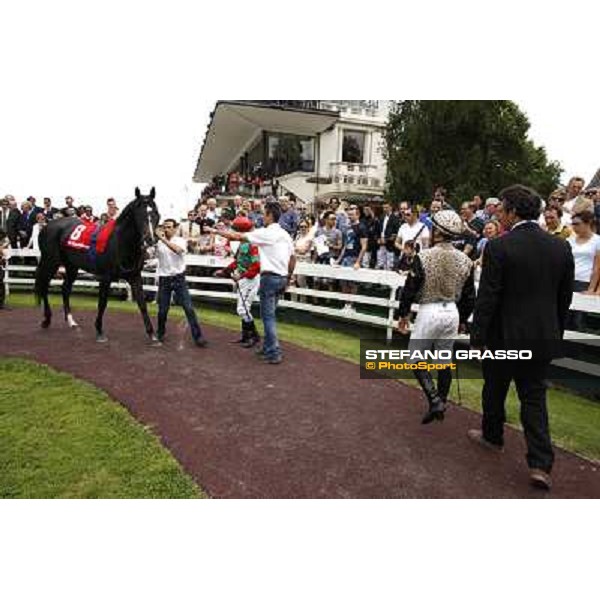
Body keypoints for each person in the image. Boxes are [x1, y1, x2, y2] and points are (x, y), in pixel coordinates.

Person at [469, 185, 574, 491]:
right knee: (534, 398)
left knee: (495, 388)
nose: (498, 213)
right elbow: (563, 298)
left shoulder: (499, 247)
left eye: (501, 209)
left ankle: (492, 436)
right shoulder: (560, 247)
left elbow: (488, 298)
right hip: (542, 336)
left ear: (513, 211)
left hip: (504, 337)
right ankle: (541, 464)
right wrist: (554, 333)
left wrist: (477, 338)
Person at [397, 210, 475, 424]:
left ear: (438, 232)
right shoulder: (466, 260)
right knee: (444, 359)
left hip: (429, 310)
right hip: (452, 311)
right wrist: (463, 320)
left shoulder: (423, 257)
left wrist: (403, 315)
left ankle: (434, 400)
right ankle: (441, 401)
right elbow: (470, 296)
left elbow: (409, 289)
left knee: (415, 358)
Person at [209, 202, 295, 365]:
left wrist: (215, 231)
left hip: (269, 278)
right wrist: (289, 278)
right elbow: (293, 258)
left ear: (269, 215)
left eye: (264, 214)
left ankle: (274, 351)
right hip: (282, 277)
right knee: (270, 315)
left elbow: (237, 236)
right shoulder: (285, 235)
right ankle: (267, 347)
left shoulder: (265, 233)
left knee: (267, 317)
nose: (263, 217)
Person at [154, 219, 208, 348]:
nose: (166, 229)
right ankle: (160, 333)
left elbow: (178, 250)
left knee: (188, 308)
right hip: (164, 278)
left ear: (175, 228)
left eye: (169, 227)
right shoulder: (158, 243)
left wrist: (163, 240)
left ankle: (198, 336)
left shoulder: (180, 241)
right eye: (164, 227)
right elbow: (151, 254)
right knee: (162, 310)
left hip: (179, 278)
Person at [215, 216, 261, 348]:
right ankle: (246, 336)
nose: (233, 232)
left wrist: (241, 276)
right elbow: (238, 261)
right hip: (244, 278)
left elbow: (256, 266)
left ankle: (254, 336)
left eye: (235, 230)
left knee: (243, 308)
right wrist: (224, 271)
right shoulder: (243, 243)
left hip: (250, 279)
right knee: (243, 307)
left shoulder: (252, 244)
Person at [376, 201, 401, 269]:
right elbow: (378, 230)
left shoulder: (395, 219)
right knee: (380, 264)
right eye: (383, 208)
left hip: (390, 246)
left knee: (390, 265)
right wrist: (378, 239)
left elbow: (396, 233)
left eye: (386, 207)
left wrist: (386, 240)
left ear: (390, 208)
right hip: (381, 244)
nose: (385, 209)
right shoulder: (381, 217)